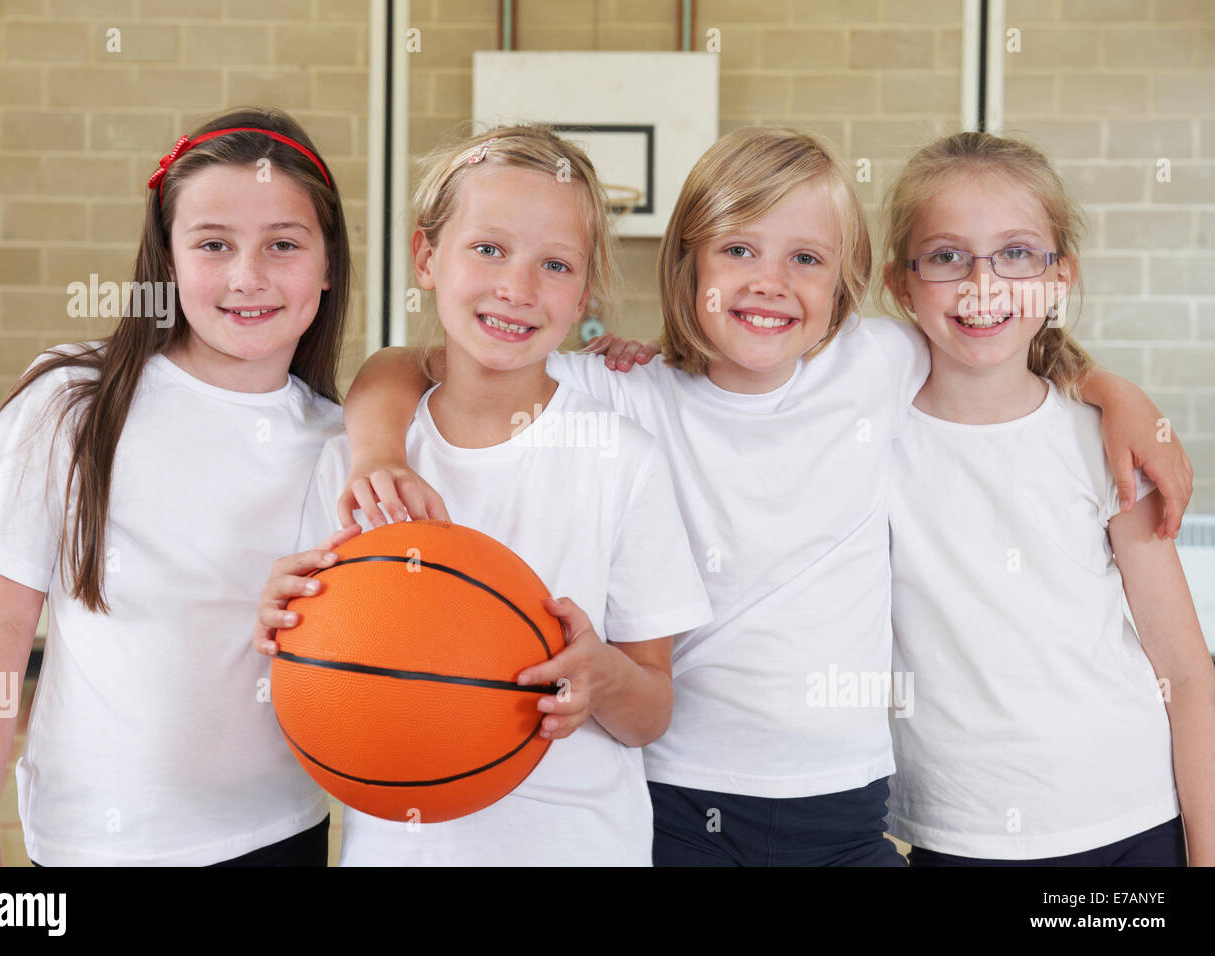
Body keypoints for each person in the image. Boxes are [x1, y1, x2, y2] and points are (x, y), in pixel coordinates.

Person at [325, 127, 1192, 866]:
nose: (770, 282)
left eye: (805, 258)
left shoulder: (876, 363)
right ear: (687, 259)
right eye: (738, 250)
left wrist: (1116, 392)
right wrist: (372, 444)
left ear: (852, 282)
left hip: (843, 800)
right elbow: (424, 364)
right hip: (677, 793)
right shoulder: (630, 393)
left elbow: (997, 332)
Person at [252, 124, 712, 866]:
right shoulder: (355, 463)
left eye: (555, 264)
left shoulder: (622, 459)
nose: (517, 288)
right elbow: (313, 678)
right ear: (427, 257)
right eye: (488, 249)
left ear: (585, 291)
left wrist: (603, 679)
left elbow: (651, 711)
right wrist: (285, 625)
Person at [0, 108, 356, 866]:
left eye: (283, 245)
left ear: (327, 266)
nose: (247, 276)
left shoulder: (344, 441)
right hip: (93, 842)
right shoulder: (73, 404)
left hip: (280, 831)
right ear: (166, 259)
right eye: (214, 244)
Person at [880, 130, 1215, 866]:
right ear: (900, 283)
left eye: (1016, 253)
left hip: (1130, 824)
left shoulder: (1107, 442)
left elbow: (1187, 672)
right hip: (953, 831)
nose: (983, 284)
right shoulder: (865, 439)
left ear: (1059, 276)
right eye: (945, 256)